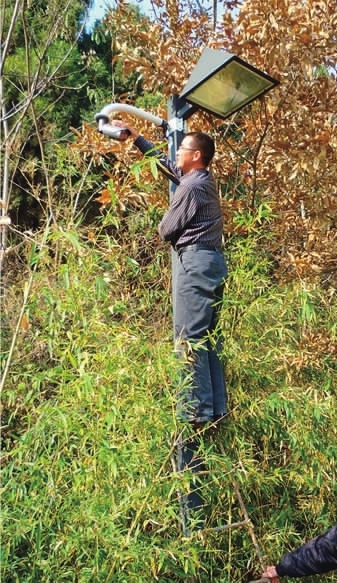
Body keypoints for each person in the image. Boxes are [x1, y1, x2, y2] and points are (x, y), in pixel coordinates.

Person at [114, 122, 228, 427]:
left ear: (196, 155)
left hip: (195, 264)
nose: (177, 153)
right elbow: (168, 167)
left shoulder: (190, 188)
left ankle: (195, 412)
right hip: (211, 262)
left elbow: (166, 228)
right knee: (206, 338)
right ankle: (215, 409)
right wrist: (138, 139)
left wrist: (163, 225)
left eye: (182, 149)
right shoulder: (201, 180)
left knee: (188, 337)